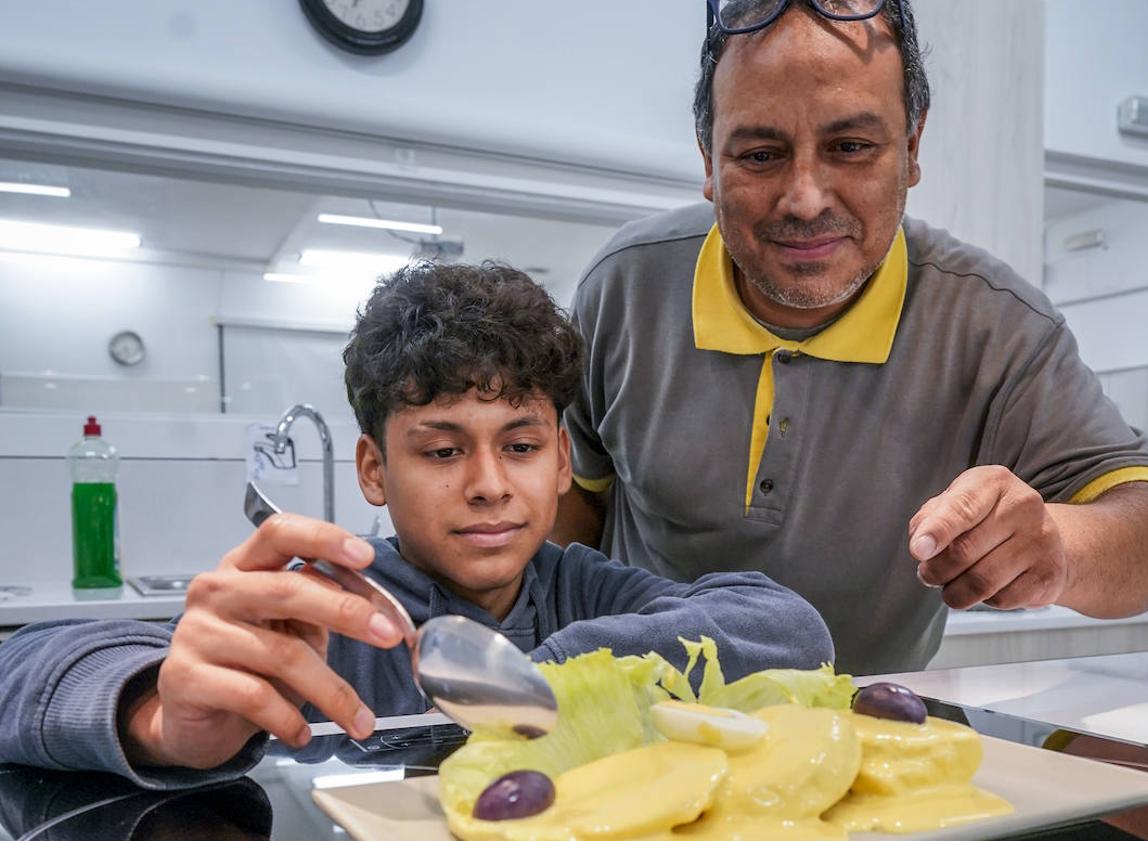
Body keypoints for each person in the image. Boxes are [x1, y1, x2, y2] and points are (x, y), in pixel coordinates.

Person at [0, 262, 833, 789]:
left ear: (557, 461)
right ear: (374, 469)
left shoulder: (579, 585)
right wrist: (155, 710)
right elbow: (20, 665)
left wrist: (550, 674)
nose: (488, 485)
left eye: (520, 444)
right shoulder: (321, 614)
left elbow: (788, 625)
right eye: (442, 451)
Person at [553, 0, 1148, 675]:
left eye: (850, 147)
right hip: (633, 731)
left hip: (860, 748)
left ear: (912, 146)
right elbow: (571, 516)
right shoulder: (624, 289)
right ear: (709, 158)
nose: (805, 199)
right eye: (761, 153)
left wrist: (1059, 547)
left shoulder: (992, 327)